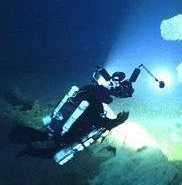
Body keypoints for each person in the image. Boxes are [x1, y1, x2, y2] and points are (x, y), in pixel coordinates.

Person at [10, 66, 138, 165]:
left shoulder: (88, 89)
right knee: (55, 152)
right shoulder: (96, 104)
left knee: (47, 135)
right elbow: (102, 123)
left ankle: (24, 138)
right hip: (68, 133)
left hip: (58, 123)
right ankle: (29, 149)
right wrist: (119, 120)